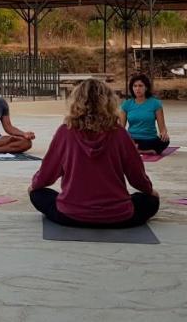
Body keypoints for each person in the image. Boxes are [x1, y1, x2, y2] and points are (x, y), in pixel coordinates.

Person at [30, 79, 159, 228]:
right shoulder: (120, 133)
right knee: (149, 200)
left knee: (38, 194)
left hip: (72, 214)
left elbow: (47, 173)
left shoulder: (65, 132)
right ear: (109, 101)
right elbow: (137, 175)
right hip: (117, 216)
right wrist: (150, 190)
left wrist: (34, 185)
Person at [119, 74, 170, 154]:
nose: (137, 89)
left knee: (165, 141)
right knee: (118, 142)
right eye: (135, 86)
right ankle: (143, 150)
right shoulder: (126, 104)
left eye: (140, 86)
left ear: (146, 88)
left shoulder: (155, 103)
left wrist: (164, 133)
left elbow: (162, 127)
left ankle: (136, 150)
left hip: (150, 139)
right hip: (132, 139)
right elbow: (121, 127)